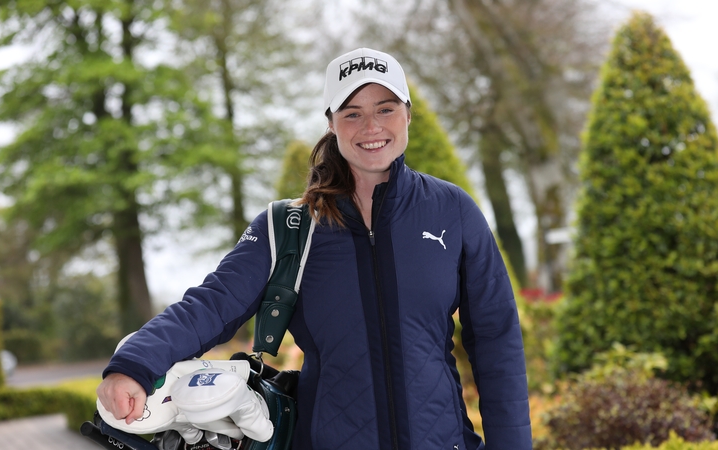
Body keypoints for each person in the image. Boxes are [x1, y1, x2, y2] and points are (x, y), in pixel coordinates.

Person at [98, 47, 532, 450]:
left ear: (408, 114)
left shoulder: (452, 210)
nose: (371, 127)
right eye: (352, 113)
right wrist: (132, 363)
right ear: (331, 122)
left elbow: (496, 339)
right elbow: (211, 305)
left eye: (386, 109)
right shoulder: (290, 226)